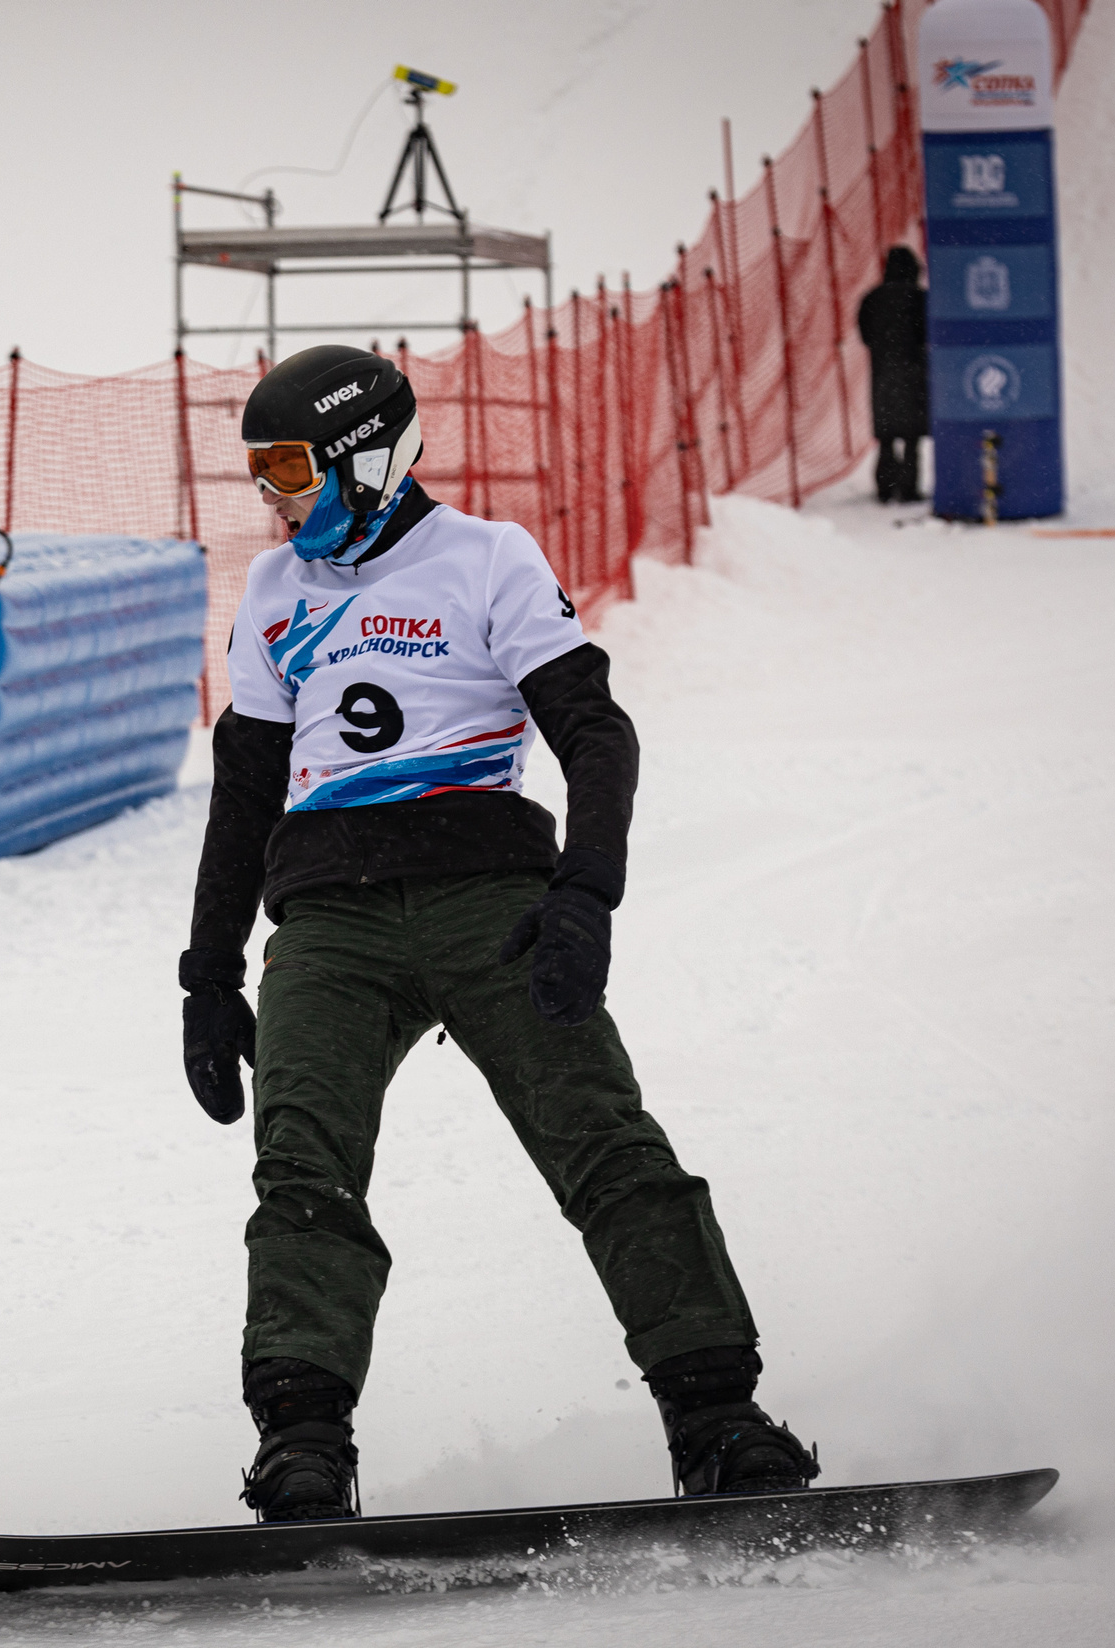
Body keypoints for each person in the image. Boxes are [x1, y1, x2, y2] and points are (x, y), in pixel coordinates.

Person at [181, 344, 819, 1522]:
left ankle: (718, 1418)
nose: (269, 497)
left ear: (361, 458)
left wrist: (584, 894)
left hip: (488, 897)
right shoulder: (272, 598)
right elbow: (241, 793)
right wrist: (207, 975)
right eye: (257, 472)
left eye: (286, 468)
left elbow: (596, 735)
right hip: (328, 921)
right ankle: (303, 1444)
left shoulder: (485, 560)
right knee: (300, 1169)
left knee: (604, 1144)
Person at [858, 246, 930, 504]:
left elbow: (865, 336)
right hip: (914, 374)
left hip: (883, 375)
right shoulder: (920, 298)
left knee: (887, 438)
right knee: (912, 439)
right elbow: (928, 334)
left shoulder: (872, 299)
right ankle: (909, 490)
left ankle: (885, 489)